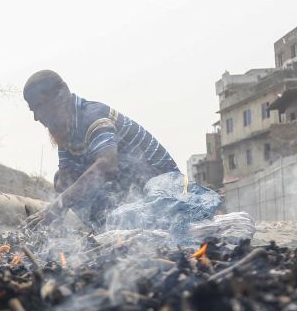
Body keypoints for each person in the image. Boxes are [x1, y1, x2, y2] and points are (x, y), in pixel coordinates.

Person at [22, 70, 180, 229]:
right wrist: (54, 221)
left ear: (62, 94)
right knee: (61, 181)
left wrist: (57, 207)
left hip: (163, 191)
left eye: (40, 106)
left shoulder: (93, 116)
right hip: (127, 190)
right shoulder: (65, 130)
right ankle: (108, 231)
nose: (37, 117)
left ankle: (125, 230)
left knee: (97, 174)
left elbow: (107, 166)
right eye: (33, 110)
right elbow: (65, 179)